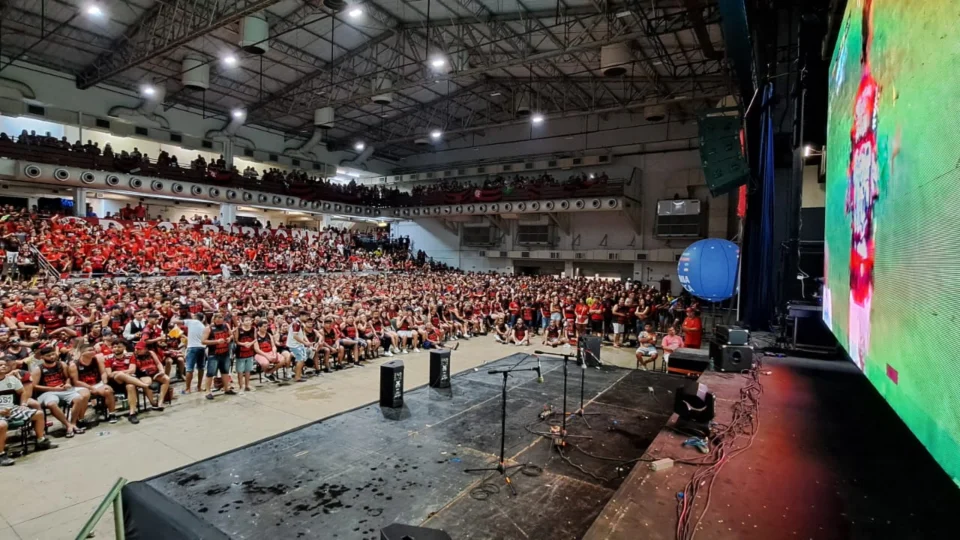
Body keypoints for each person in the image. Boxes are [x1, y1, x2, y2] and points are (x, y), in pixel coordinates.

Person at [1, 359, 55, 466]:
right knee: (1, 425)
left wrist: (23, 405)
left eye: (4, 365)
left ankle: (41, 441)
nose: (3, 366)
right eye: (0, 365)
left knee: (38, 414)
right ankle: (1, 454)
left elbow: (22, 393)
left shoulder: (12, 379)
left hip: (12, 409)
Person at [30, 346, 89, 437]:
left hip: (63, 389)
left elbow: (68, 378)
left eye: (53, 354)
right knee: (51, 404)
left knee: (79, 398)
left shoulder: (62, 364)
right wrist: (54, 389)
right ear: (42, 357)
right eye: (48, 355)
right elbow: (34, 386)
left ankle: (73, 423)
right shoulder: (38, 369)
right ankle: (68, 425)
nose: (52, 357)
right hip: (47, 392)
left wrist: (68, 383)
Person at [68, 343, 118, 424]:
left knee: (108, 390)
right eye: (90, 350)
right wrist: (90, 388)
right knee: (84, 395)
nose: (93, 352)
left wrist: (104, 382)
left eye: (93, 350)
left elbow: (103, 373)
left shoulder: (97, 360)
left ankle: (112, 414)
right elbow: (76, 382)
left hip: (97, 383)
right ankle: (81, 419)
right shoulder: (74, 364)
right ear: (82, 352)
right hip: (81, 385)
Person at [201, 313, 234, 399]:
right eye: (218, 318)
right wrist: (216, 341)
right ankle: (208, 391)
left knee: (225, 371)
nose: (220, 319)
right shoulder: (209, 328)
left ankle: (226, 388)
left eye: (221, 317)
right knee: (210, 373)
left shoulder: (226, 326)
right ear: (214, 319)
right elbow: (203, 341)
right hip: (214, 354)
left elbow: (231, 335)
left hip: (225, 352)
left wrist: (229, 338)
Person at [181, 312, 206, 394]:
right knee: (201, 368)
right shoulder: (203, 326)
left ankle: (188, 389)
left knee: (189, 369)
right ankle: (199, 387)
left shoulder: (191, 322)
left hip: (192, 347)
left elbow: (176, 322)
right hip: (202, 347)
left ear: (195, 317)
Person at [233, 315, 257, 393]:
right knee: (240, 371)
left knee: (248, 370)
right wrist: (244, 344)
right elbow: (236, 341)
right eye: (246, 320)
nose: (248, 322)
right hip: (240, 353)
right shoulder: (238, 330)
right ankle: (241, 387)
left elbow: (255, 339)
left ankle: (247, 385)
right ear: (242, 322)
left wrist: (250, 343)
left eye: (249, 320)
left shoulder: (254, 329)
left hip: (250, 352)